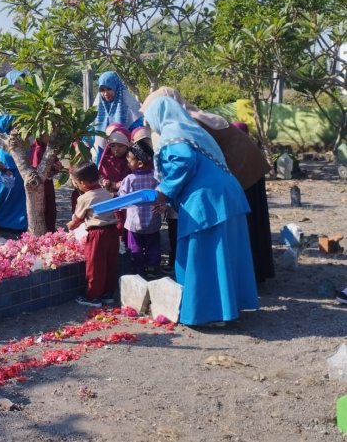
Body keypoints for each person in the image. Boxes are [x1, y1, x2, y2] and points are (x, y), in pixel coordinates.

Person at [143, 95, 259, 326]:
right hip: (227, 195)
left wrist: (164, 191)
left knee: (204, 255)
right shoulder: (193, 131)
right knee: (223, 254)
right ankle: (227, 309)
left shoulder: (172, 132)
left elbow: (183, 161)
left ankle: (209, 314)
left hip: (207, 201)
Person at [66, 161, 119, 307]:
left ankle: (93, 296)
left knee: (96, 265)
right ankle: (108, 293)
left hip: (97, 234)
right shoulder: (106, 193)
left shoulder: (84, 198)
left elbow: (77, 220)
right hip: (113, 231)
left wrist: (69, 226)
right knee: (110, 263)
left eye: (75, 182)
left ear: (82, 183)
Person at [118, 141, 161, 276]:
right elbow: (163, 194)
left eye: (129, 160)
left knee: (134, 246)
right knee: (153, 245)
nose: (127, 163)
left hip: (134, 223)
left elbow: (122, 199)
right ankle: (152, 268)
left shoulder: (129, 179)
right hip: (153, 221)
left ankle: (138, 270)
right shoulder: (156, 177)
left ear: (140, 163)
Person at [93, 71, 143, 164]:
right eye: (102, 90)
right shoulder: (97, 107)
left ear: (117, 88)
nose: (105, 93)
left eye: (109, 89)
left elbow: (138, 131)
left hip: (126, 157)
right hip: (103, 156)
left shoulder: (131, 106)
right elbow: (91, 131)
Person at [0, 115, 27, 231]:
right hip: (8, 162)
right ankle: (2, 222)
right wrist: (13, 113)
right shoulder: (2, 110)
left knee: (21, 194)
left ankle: (19, 223)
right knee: (5, 193)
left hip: (24, 160)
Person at [30, 134, 60, 233]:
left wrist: (57, 166)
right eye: (47, 135)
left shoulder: (47, 148)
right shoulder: (37, 150)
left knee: (51, 207)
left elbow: (55, 162)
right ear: (40, 136)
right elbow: (38, 171)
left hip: (48, 183)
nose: (50, 137)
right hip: (41, 185)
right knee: (44, 207)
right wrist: (54, 170)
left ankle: (50, 229)